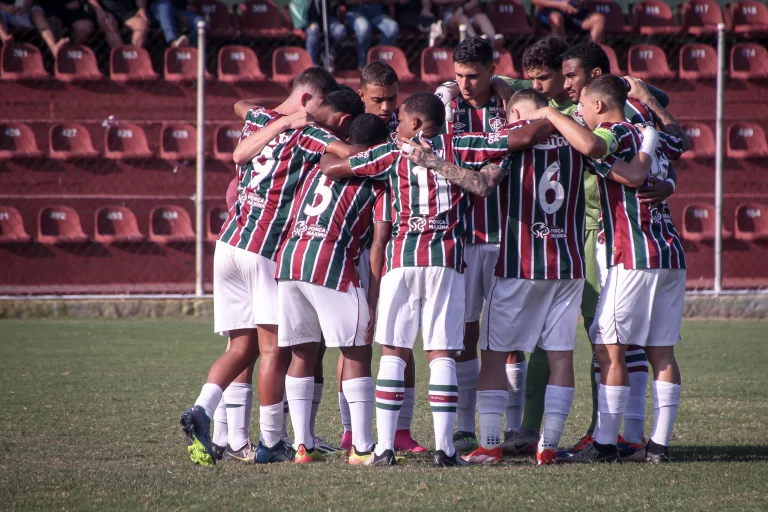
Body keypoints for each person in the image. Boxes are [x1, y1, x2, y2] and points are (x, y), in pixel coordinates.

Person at [319, 93, 554, 466]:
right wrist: (550, 113)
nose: (395, 126)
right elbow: (522, 138)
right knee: (441, 352)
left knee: (394, 351)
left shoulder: (391, 152)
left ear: (415, 123)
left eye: (400, 120)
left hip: (401, 260)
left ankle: (383, 448)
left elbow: (333, 168)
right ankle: (445, 449)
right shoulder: (462, 143)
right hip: (446, 260)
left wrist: (330, 146)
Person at [179, 68, 342, 466]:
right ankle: (272, 442)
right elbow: (347, 152)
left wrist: (281, 117)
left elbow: (242, 107)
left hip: (229, 243)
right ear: (307, 101)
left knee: (241, 346)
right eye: (321, 107)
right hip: (264, 249)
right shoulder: (309, 134)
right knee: (274, 350)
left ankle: (205, 413)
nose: (322, 116)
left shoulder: (257, 119)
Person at [536, 74, 686, 463]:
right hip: (669, 253)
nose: (579, 113)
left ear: (599, 105)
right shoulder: (647, 133)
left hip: (633, 254)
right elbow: (673, 150)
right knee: (662, 352)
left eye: (582, 106)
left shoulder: (615, 131)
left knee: (607, 345)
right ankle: (658, 446)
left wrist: (551, 114)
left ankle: (604, 444)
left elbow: (591, 145)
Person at [276, 112, 400, 465]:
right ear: (378, 148)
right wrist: (373, 302)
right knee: (357, 349)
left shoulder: (319, 165)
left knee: (303, 352)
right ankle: (362, 448)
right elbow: (378, 246)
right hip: (329, 261)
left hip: (291, 259)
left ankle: (303, 445)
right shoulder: (379, 182)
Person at [432, 37, 526, 455]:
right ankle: (466, 426)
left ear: (492, 70)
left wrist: (507, 89)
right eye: (458, 76)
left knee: (511, 337)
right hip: (464, 238)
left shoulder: (511, 105)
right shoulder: (446, 107)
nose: (465, 83)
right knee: (465, 333)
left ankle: (517, 425)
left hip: (508, 234)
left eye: (473, 75)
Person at [338, 61, 426, 454]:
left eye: (392, 98)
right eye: (378, 99)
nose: (387, 106)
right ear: (361, 95)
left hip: (395, 244)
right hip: (351, 246)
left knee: (398, 338)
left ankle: (402, 431)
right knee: (354, 341)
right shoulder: (348, 129)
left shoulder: (401, 128)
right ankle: (348, 428)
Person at [290, 0, 346, 70]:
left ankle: (328, 54)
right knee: (314, 31)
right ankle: (312, 64)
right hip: (309, 20)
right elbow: (298, 8)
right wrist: (305, 25)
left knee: (340, 31)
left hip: (328, 18)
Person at [343, 0, 399, 71]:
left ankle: (377, 62)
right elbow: (347, 2)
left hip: (376, 14)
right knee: (363, 28)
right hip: (355, 12)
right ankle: (363, 65)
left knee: (392, 28)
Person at [30, 0, 94, 56]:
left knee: (85, 27)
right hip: (49, 8)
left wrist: (79, 1)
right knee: (53, 24)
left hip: (71, 7)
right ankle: (56, 53)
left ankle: (69, 53)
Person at [429, 0, 502, 48]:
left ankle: (493, 39)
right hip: (449, 16)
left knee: (481, 17)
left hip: (466, 13)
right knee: (463, 18)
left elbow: (475, 1)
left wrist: (462, 8)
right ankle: (475, 41)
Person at [532, 0, 606, 43]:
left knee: (599, 19)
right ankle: (560, 56)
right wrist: (560, 5)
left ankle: (593, 53)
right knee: (556, 18)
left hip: (574, 13)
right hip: (550, 12)